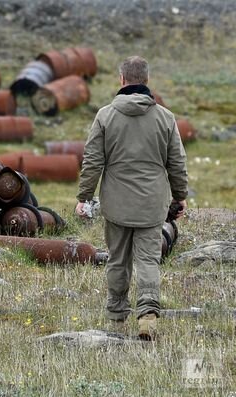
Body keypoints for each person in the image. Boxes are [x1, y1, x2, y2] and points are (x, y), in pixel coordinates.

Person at [75, 56, 188, 340]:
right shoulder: (165, 117)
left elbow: (92, 161)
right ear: (146, 81)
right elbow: (177, 163)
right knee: (148, 261)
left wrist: (84, 196)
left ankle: (116, 316)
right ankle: (148, 316)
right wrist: (180, 197)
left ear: (122, 80)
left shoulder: (105, 116)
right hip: (152, 205)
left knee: (117, 260)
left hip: (116, 204)